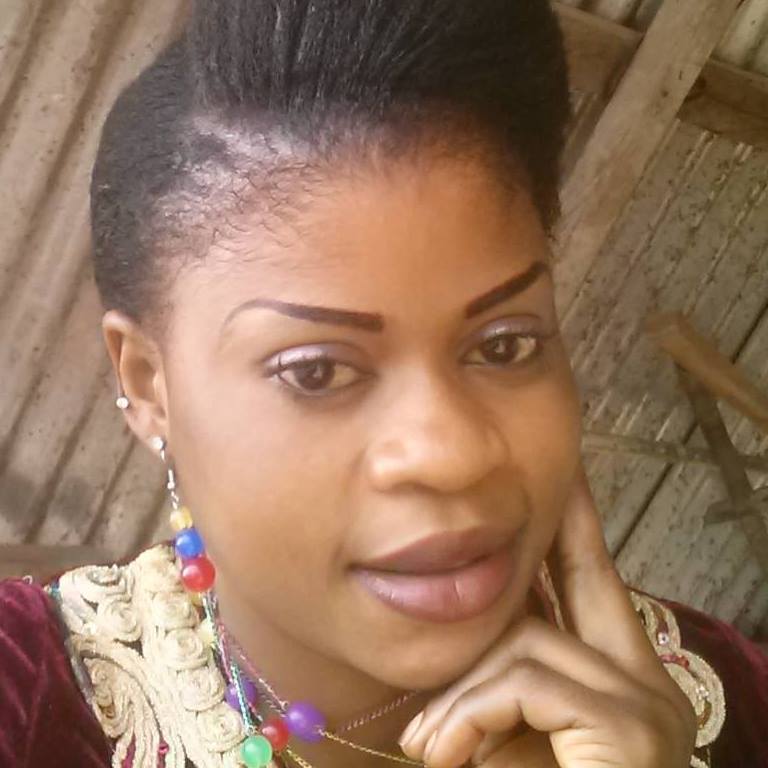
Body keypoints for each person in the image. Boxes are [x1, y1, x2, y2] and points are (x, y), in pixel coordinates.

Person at [1, 2, 766, 767]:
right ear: (149, 385)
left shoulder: (735, 700)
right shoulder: (29, 693)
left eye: (505, 345)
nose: (452, 454)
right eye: (317, 371)